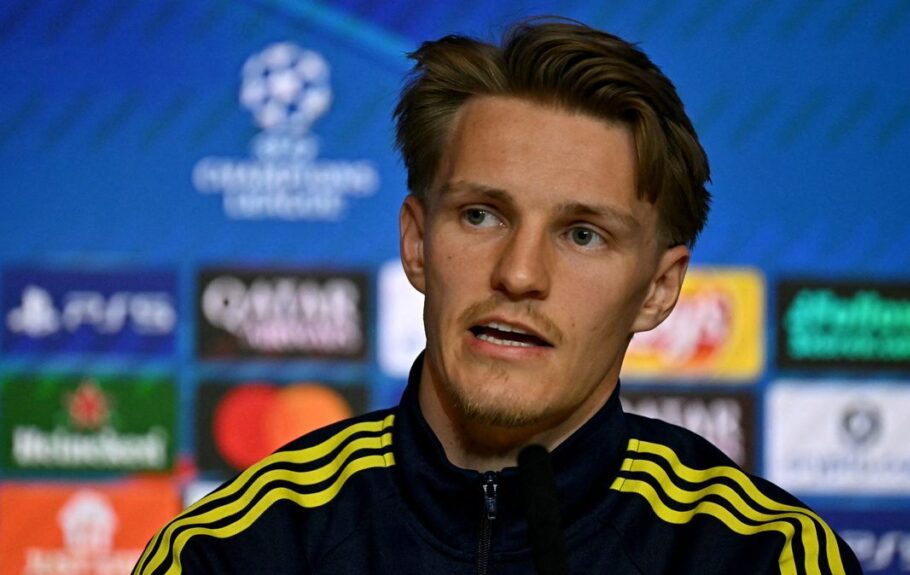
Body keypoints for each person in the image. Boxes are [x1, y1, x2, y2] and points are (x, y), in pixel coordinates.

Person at [134, 18, 862, 575]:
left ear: (659, 288)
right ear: (418, 242)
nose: (518, 273)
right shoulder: (236, 550)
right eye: (481, 215)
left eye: (582, 234)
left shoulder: (760, 555)